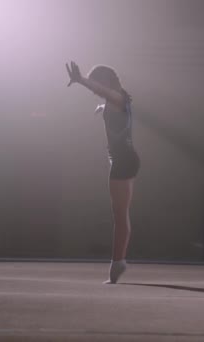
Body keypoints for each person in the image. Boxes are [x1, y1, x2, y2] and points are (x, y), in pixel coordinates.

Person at [66, 61, 140, 284]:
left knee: (119, 215)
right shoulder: (117, 100)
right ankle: (118, 262)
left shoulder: (116, 97)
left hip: (123, 161)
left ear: (105, 82)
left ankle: (118, 263)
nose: (96, 90)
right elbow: (108, 100)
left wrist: (82, 81)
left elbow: (104, 93)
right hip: (125, 159)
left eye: (97, 83)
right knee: (120, 213)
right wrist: (101, 109)